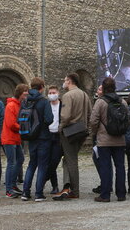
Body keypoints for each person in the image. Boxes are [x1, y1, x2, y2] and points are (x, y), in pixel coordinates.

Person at [53, 73, 93, 201]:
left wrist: (60, 128)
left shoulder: (67, 96)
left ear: (69, 81)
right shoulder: (84, 95)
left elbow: (65, 116)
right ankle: (68, 187)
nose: (63, 82)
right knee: (70, 159)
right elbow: (90, 114)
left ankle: (74, 190)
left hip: (69, 132)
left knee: (71, 160)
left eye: (65, 80)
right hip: (82, 131)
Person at [90, 77, 128, 202]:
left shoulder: (100, 102)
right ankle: (121, 194)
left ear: (104, 88)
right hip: (120, 139)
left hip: (104, 140)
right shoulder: (123, 102)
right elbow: (128, 120)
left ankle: (105, 195)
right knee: (120, 167)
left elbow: (93, 121)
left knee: (105, 167)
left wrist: (96, 133)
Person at [22, 78, 54, 202]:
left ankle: (25, 192)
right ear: (41, 87)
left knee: (31, 164)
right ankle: (39, 193)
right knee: (42, 165)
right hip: (43, 137)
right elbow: (49, 119)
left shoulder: (26, 100)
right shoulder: (43, 101)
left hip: (31, 137)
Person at [3, 84, 27, 198]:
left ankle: (12, 185)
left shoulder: (19, 105)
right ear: (20, 94)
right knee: (11, 163)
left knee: (20, 159)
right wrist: (23, 127)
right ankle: (8, 189)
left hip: (16, 139)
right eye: (24, 93)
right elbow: (11, 124)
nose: (26, 95)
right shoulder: (11, 106)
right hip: (9, 139)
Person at [45, 85, 63, 194]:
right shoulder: (47, 106)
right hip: (48, 135)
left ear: (58, 93)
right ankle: (54, 186)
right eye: (50, 93)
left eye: (53, 92)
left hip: (58, 135)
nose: (52, 95)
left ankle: (43, 179)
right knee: (48, 161)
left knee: (55, 161)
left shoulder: (62, 105)